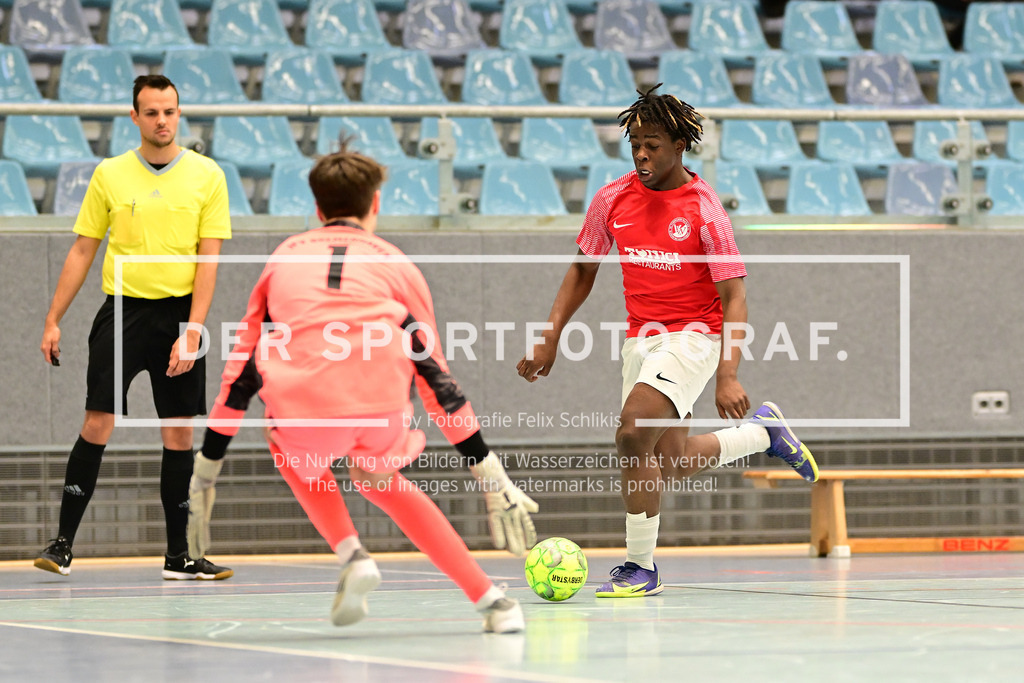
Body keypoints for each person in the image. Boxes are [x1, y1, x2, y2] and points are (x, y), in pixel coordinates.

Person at [184, 144, 534, 633]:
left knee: (287, 445)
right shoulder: (396, 263)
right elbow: (435, 376)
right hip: (380, 409)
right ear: (375, 205)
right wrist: (486, 469)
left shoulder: (283, 257)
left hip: (305, 413)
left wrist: (207, 468)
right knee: (376, 476)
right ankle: (491, 601)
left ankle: (352, 554)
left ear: (317, 209)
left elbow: (241, 369)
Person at [517, 85, 819, 598]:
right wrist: (549, 339)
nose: (640, 153)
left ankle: (641, 567)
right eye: (634, 142)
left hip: (694, 337)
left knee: (632, 433)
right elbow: (582, 270)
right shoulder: (612, 198)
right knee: (670, 460)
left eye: (652, 143)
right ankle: (764, 434)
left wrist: (728, 374)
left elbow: (735, 296)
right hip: (642, 341)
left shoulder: (704, 208)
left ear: (680, 146)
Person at [35, 75, 233, 581]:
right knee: (97, 422)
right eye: (151, 112)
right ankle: (61, 546)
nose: (161, 120)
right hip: (122, 312)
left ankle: (178, 556)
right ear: (135, 117)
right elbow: (83, 249)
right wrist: (53, 317)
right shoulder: (110, 174)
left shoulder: (207, 176)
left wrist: (193, 330)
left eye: (169, 111)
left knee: (179, 433)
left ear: (178, 114)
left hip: (180, 316)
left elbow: (208, 262)